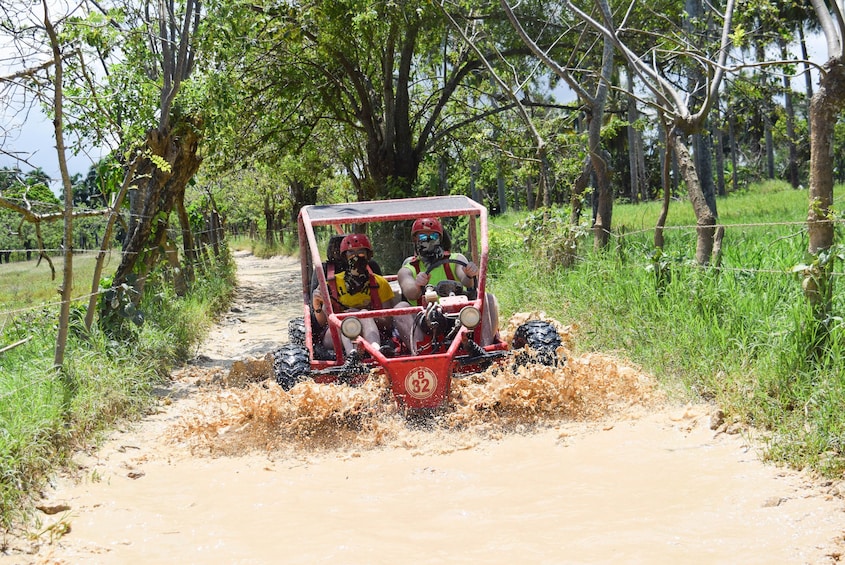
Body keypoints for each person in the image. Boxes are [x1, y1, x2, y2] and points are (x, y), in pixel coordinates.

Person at [394, 217, 499, 350]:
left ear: (440, 238)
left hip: (460, 316)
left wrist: (469, 273)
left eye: (432, 236)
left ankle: (485, 348)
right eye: (422, 237)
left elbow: (466, 280)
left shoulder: (455, 259)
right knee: (400, 307)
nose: (427, 240)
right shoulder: (408, 269)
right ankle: (420, 353)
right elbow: (410, 292)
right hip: (424, 321)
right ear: (415, 240)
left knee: (486, 297)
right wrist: (417, 284)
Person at [312, 233, 397, 358]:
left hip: (369, 331)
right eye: (351, 253)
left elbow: (388, 323)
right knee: (350, 318)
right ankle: (353, 356)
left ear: (368, 255)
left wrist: (362, 314)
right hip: (335, 333)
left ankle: (376, 351)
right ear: (344, 257)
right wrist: (317, 306)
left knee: (363, 314)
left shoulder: (380, 283)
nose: (356, 257)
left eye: (360, 252)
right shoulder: (331, 283)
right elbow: (322, 322)